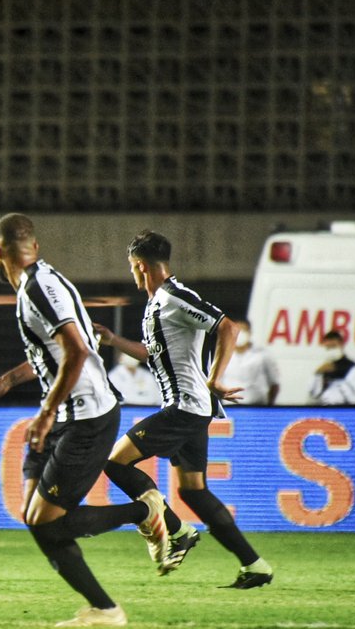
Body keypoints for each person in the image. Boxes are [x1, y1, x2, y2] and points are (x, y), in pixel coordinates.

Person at [0, 214, 170, 628]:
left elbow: (77, 351)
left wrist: (45, 414)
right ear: (34, 247)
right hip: (69, 412)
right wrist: (7, 381)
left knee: (47, 522)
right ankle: (104, 607)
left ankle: (141, 516)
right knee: (35, 517)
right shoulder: (46, 281)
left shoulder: (36, 290)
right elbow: (57, 352)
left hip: (86, 416)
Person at [95, 230, 274, 589]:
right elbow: (153, 354)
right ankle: (255, 565)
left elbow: (228, 327)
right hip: (189, 408)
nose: (132, 273)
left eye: (131, 267)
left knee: (114, 462)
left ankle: (177, 531)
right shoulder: (157, 304)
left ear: (140, 266)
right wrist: (114, 340)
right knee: (193, 491)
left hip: (185, 407)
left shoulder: (174, 296)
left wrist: (215, 378)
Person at [220, 318, 280, 405]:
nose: (240, 334)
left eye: (243, 330)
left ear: (249, 333)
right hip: (229, 407)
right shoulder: (222, 355)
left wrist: (269, 407)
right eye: (237, 330)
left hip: (256, 407)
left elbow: (274, 384)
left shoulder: (263, 355)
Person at [309, 330, 355, 405]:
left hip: (343, 409)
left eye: (333, 346)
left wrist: (337, 378)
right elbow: (314, 394)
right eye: (328, 348)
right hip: (324, 407)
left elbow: (353, 398)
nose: (331, 350)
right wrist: (318, 373)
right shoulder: (324, 367)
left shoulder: (352, 367)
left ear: (341, 345)